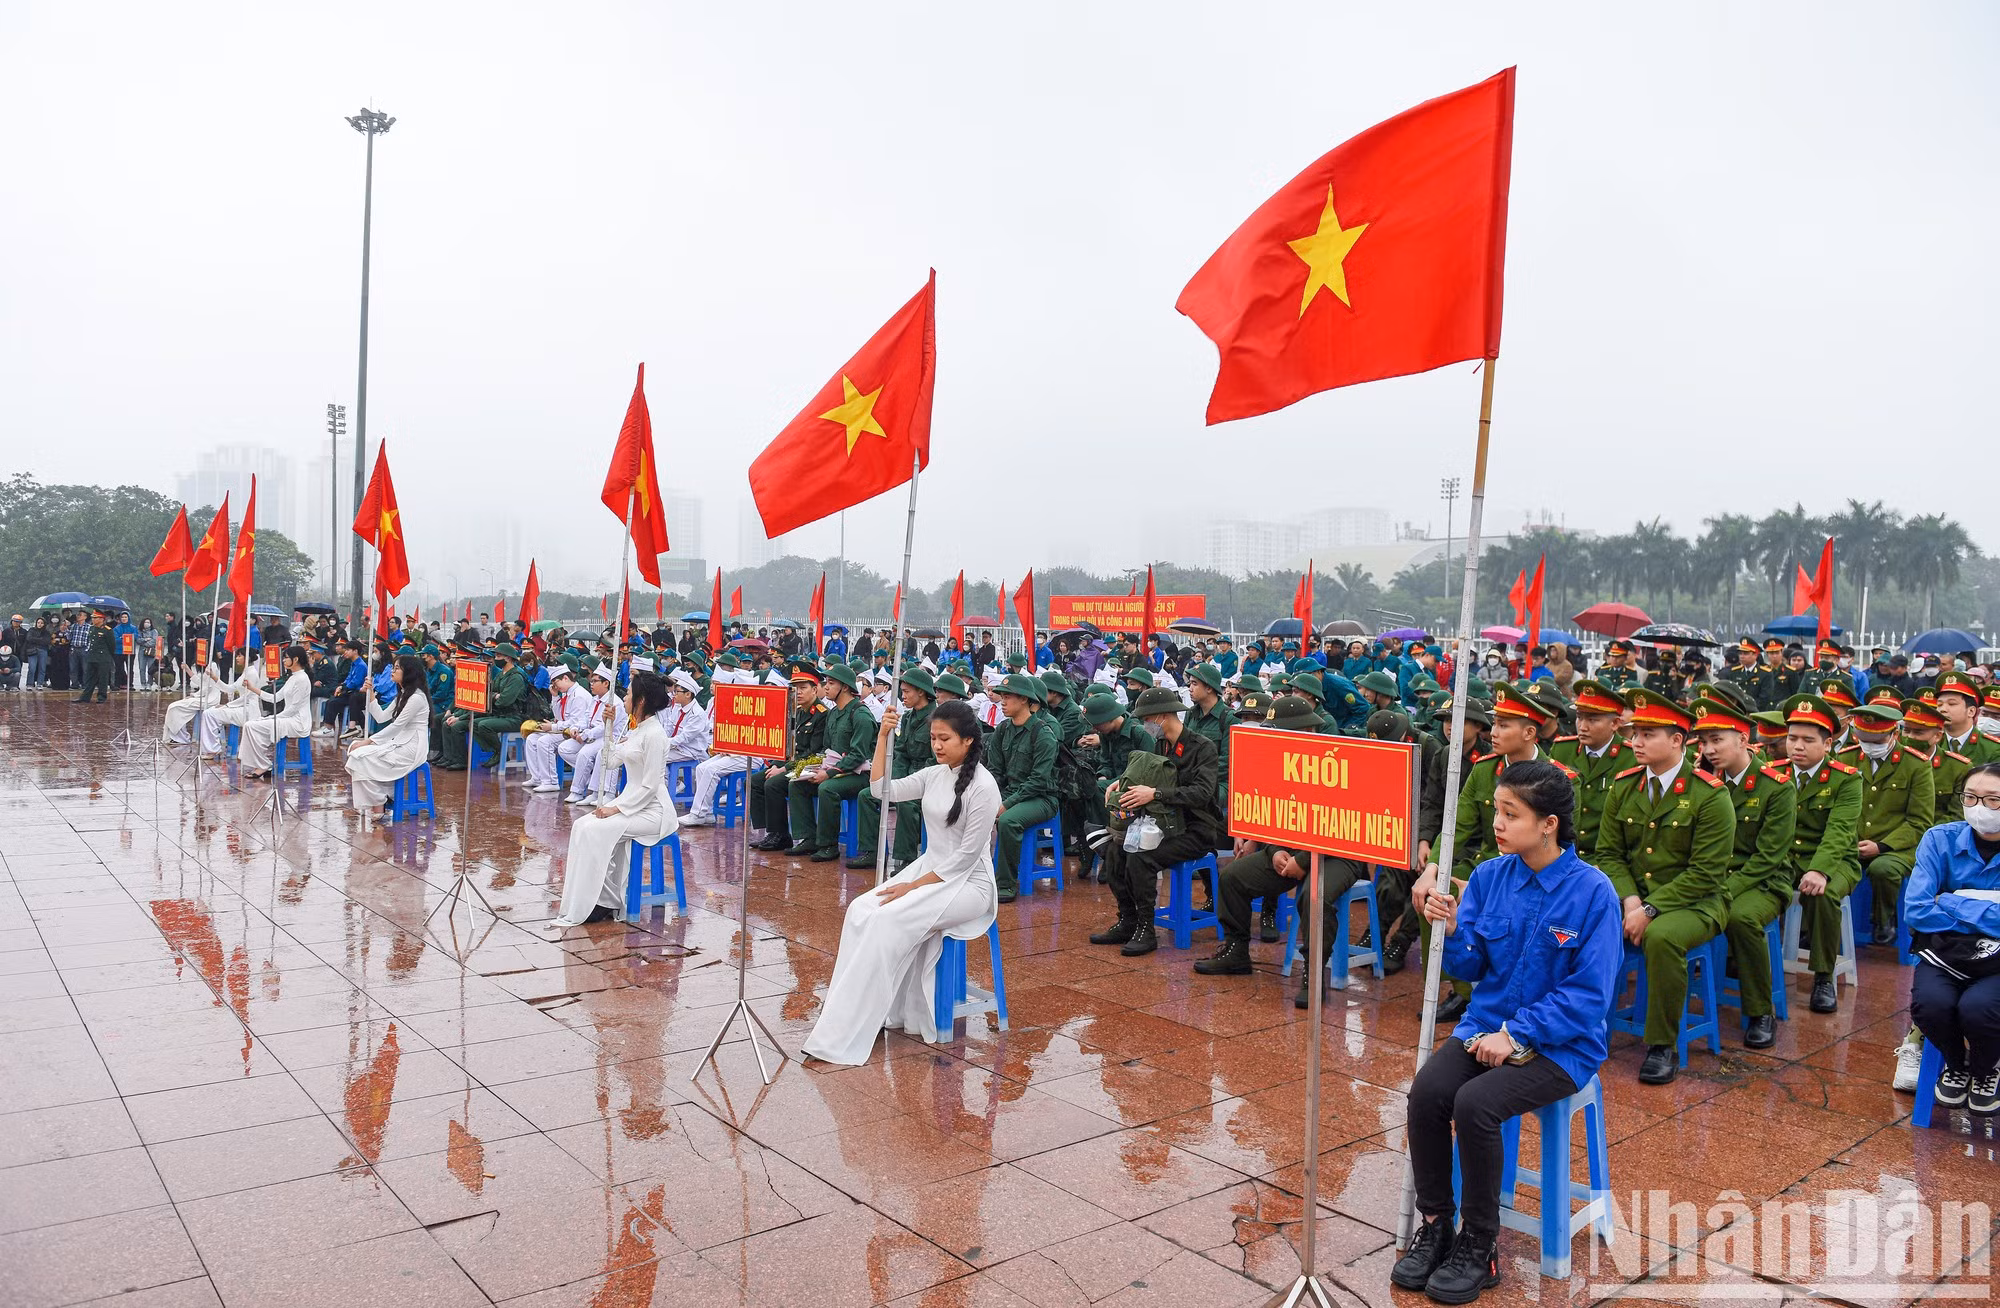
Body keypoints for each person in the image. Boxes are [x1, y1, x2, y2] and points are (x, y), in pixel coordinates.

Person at [1396, 760, 1621, 1303]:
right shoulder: (1492, 877)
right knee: (1427, 1093)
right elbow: (1471, 969)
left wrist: (1518, 1034)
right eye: (1497, 810)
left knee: (1476, 1105)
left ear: (1548, 824)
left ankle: (1480, 1241)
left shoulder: (1593, 893)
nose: (1497, 823)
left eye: (1509, 814)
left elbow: (1589, 997)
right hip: (1485, 1025)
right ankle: (1437, 1224)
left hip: (1562, 1045)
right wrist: (1450, 929)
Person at [802, 700, 1001, 1064]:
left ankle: (853, 1024)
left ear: (969, 740)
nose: (937, 745)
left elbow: (965, 859)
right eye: (933, 738)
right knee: (861, 909)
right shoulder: (934, 775)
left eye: (945, 738)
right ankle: (856, 1012)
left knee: (887, 919)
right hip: (930, 871)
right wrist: (882, 736)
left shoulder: (985, 788)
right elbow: (881, 790)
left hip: (969, 885)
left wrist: (912, 887)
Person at [1590, 689, 1735, 1084]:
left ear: (1678, 740)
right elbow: (1609, 853)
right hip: (1636, 899)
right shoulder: (1624, 785)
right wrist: (1631, 899)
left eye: (1648, 734)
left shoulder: (1710, 795)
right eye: (1635, 733)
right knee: (1583, 924)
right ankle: (1581, 1025)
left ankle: (1662, 1044)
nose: (1635, 741)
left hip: (1697, 903)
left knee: (1662, 939)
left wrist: (1650, 910)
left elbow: (1706, 873)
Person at [1691, 693, 1798, 1049]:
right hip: (1713, 875)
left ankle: (1759, 1010)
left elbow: (1768, 857)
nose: (1709, 749)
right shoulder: (1704, 784)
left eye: (1717, 740)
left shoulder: (1776, 787)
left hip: (1764, 880)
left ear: (1743, 739)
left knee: (1740, 918)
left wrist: (1723, 889)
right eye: (1704, 741)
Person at [1090, 685, 1222, 957]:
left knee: (1141, 856)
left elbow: (1203, 793)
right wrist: (1120, 784)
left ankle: (1146, 929)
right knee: (1116, 852)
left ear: (1162, 716)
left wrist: (1156, 793)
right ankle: (1128, 920)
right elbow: (1147, 775)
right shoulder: (1162, 745)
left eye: (1147, 720)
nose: (1144, 725)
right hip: (1164, 824)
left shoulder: (1201, 748)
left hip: (1197, 828)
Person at [1905, 763, 2000, 1115]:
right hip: (1946, 954)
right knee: (1930, 1004)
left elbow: (1933, 907)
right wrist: (1989, 908)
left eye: (1993, 800)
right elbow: (1916, 910)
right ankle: (1957, 1065)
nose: (1979, 807)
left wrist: (1951, 900)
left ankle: (1985, 1067)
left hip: (1996, 963)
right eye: (1971, 797)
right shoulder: (1939, 839)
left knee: (1979, 1009)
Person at [554, 670, 677, 927]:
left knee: (597, 830)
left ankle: (603, 901)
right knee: (582, 826)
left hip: (653, 811)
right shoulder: (637, 730)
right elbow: (609, 762)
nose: (625, 698)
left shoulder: (655, 735)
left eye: (629, 693)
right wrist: (608, 727)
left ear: (641, 700)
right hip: (632, 804)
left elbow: (651, 785)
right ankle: (595, 898)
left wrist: (617, 808)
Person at [1781, 693, 1864, 1013]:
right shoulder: (1775, 772)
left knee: (1824, 895)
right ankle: (1739, 960)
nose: (1797, 746)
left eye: (1807, 740)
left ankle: (1824, 976)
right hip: (1786, 860)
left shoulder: (1846, 779)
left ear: (1828, 744)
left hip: (1835, 859)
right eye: (1791, 738)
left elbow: (1840, 832)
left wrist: (1820, 870)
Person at [1839, 701, 1934, 943]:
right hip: (1852, 841)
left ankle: (1884, 920)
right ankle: (1827, 927)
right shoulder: (1846, 758)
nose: (1869, 746)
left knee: (1883, 869)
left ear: (1895, 733)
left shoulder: (1916, 764)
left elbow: (1919, 821)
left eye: (1877, 741)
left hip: (1897, 846)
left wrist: (1882, 846)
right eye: (1863, 739)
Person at [786, 663, 878, 862]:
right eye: (826, 683)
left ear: (844, 687)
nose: (825, 687)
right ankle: (808, 837)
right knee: (797, 782)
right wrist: (811, 769)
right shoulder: (834, 713)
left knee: (827, 788)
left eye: (831, 683)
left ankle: (828, 845)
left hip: (860, 774)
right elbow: (826, 749)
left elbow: (858, 755)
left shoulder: (860, 714)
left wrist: (828, 773)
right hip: (837, 769)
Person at [850, 666, 936, 871]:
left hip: (928, 778)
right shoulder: (907, 718)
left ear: (921, 692)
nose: (902, 697)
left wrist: (908, 783)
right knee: (867, 795)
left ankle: (907, 859)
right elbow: (901, 753)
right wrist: (895, 781)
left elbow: (936, 761)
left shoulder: (937, 718)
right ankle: (871, 851)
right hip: (905, 774)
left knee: (906, 802)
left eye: (906, 692)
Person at [987, 672, 1060, 903]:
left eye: (1009, 696)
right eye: (1002, 696)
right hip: (1012, 793)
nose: (1003, 701)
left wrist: (1006, 804)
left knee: (1009, 821)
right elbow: (995, 772)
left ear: (1026, 700)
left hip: (1041, 798)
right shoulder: (1002, 730)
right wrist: (989, 798)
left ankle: (1006, 884)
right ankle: (977, 877)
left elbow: (1038, 781)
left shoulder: (1043, 734)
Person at [347, 653, 432, 815]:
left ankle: (379, 802)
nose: (392, 671)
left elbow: (397, 726)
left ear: (409, 672)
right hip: (399, 743)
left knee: (361, 756)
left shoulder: (416, 698)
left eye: (397, 668)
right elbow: (381, 717)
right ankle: (379, 798)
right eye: (393, 668)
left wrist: (368, 742)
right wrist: (370, 693)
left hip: (412, 748)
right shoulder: (403, 695)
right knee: (355, 752)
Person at [237, 645, 314, 780]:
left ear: (295, 659)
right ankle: (262, 764)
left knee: (253, 725)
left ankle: (263, 765)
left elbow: (294, 708)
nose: (283, 661)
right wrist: (252, 688)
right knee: (249, 725)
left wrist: (274, 717)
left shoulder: (302, 679)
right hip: (287, 717)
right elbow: (275, 698)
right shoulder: (292, 677)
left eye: (286, 658)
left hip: (298, 721)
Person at [523, 663, 592, 795]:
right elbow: (559, 716)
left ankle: (550, 782)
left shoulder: (579, 695)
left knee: (545, 742)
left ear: (566, 678)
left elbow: (575, 722)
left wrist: (552, 727)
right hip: (563, 730)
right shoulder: (566, 694)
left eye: (556, 682)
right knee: (532, 738)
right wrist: (555, 697)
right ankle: (537, 777)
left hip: (576, 733)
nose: (555, 686)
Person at [565, 664, 630, 803]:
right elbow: (586, 717)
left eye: (595, 681)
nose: (591, 684)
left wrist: (587, 735)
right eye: (591, 681)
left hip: (608, 736)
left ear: (606, 683)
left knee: (586, 753)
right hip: (591, 735)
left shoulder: (615, 703)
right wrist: (577, 728)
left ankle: (581, 791)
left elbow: (604, 727)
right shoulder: (595, 699)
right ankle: (591, 778)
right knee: (565, 748)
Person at [75, 610, 115, 703]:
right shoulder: (92, 628)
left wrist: (107, 656)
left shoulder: (107, 630)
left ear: (101, 619)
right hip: (92, 657)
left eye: (95, 618)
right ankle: (85, 697)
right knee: (89, 678)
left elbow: (111, 646)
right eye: (93, 617)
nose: (93, 619)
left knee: (102, 679)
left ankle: (101, 697)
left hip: (103, 658)